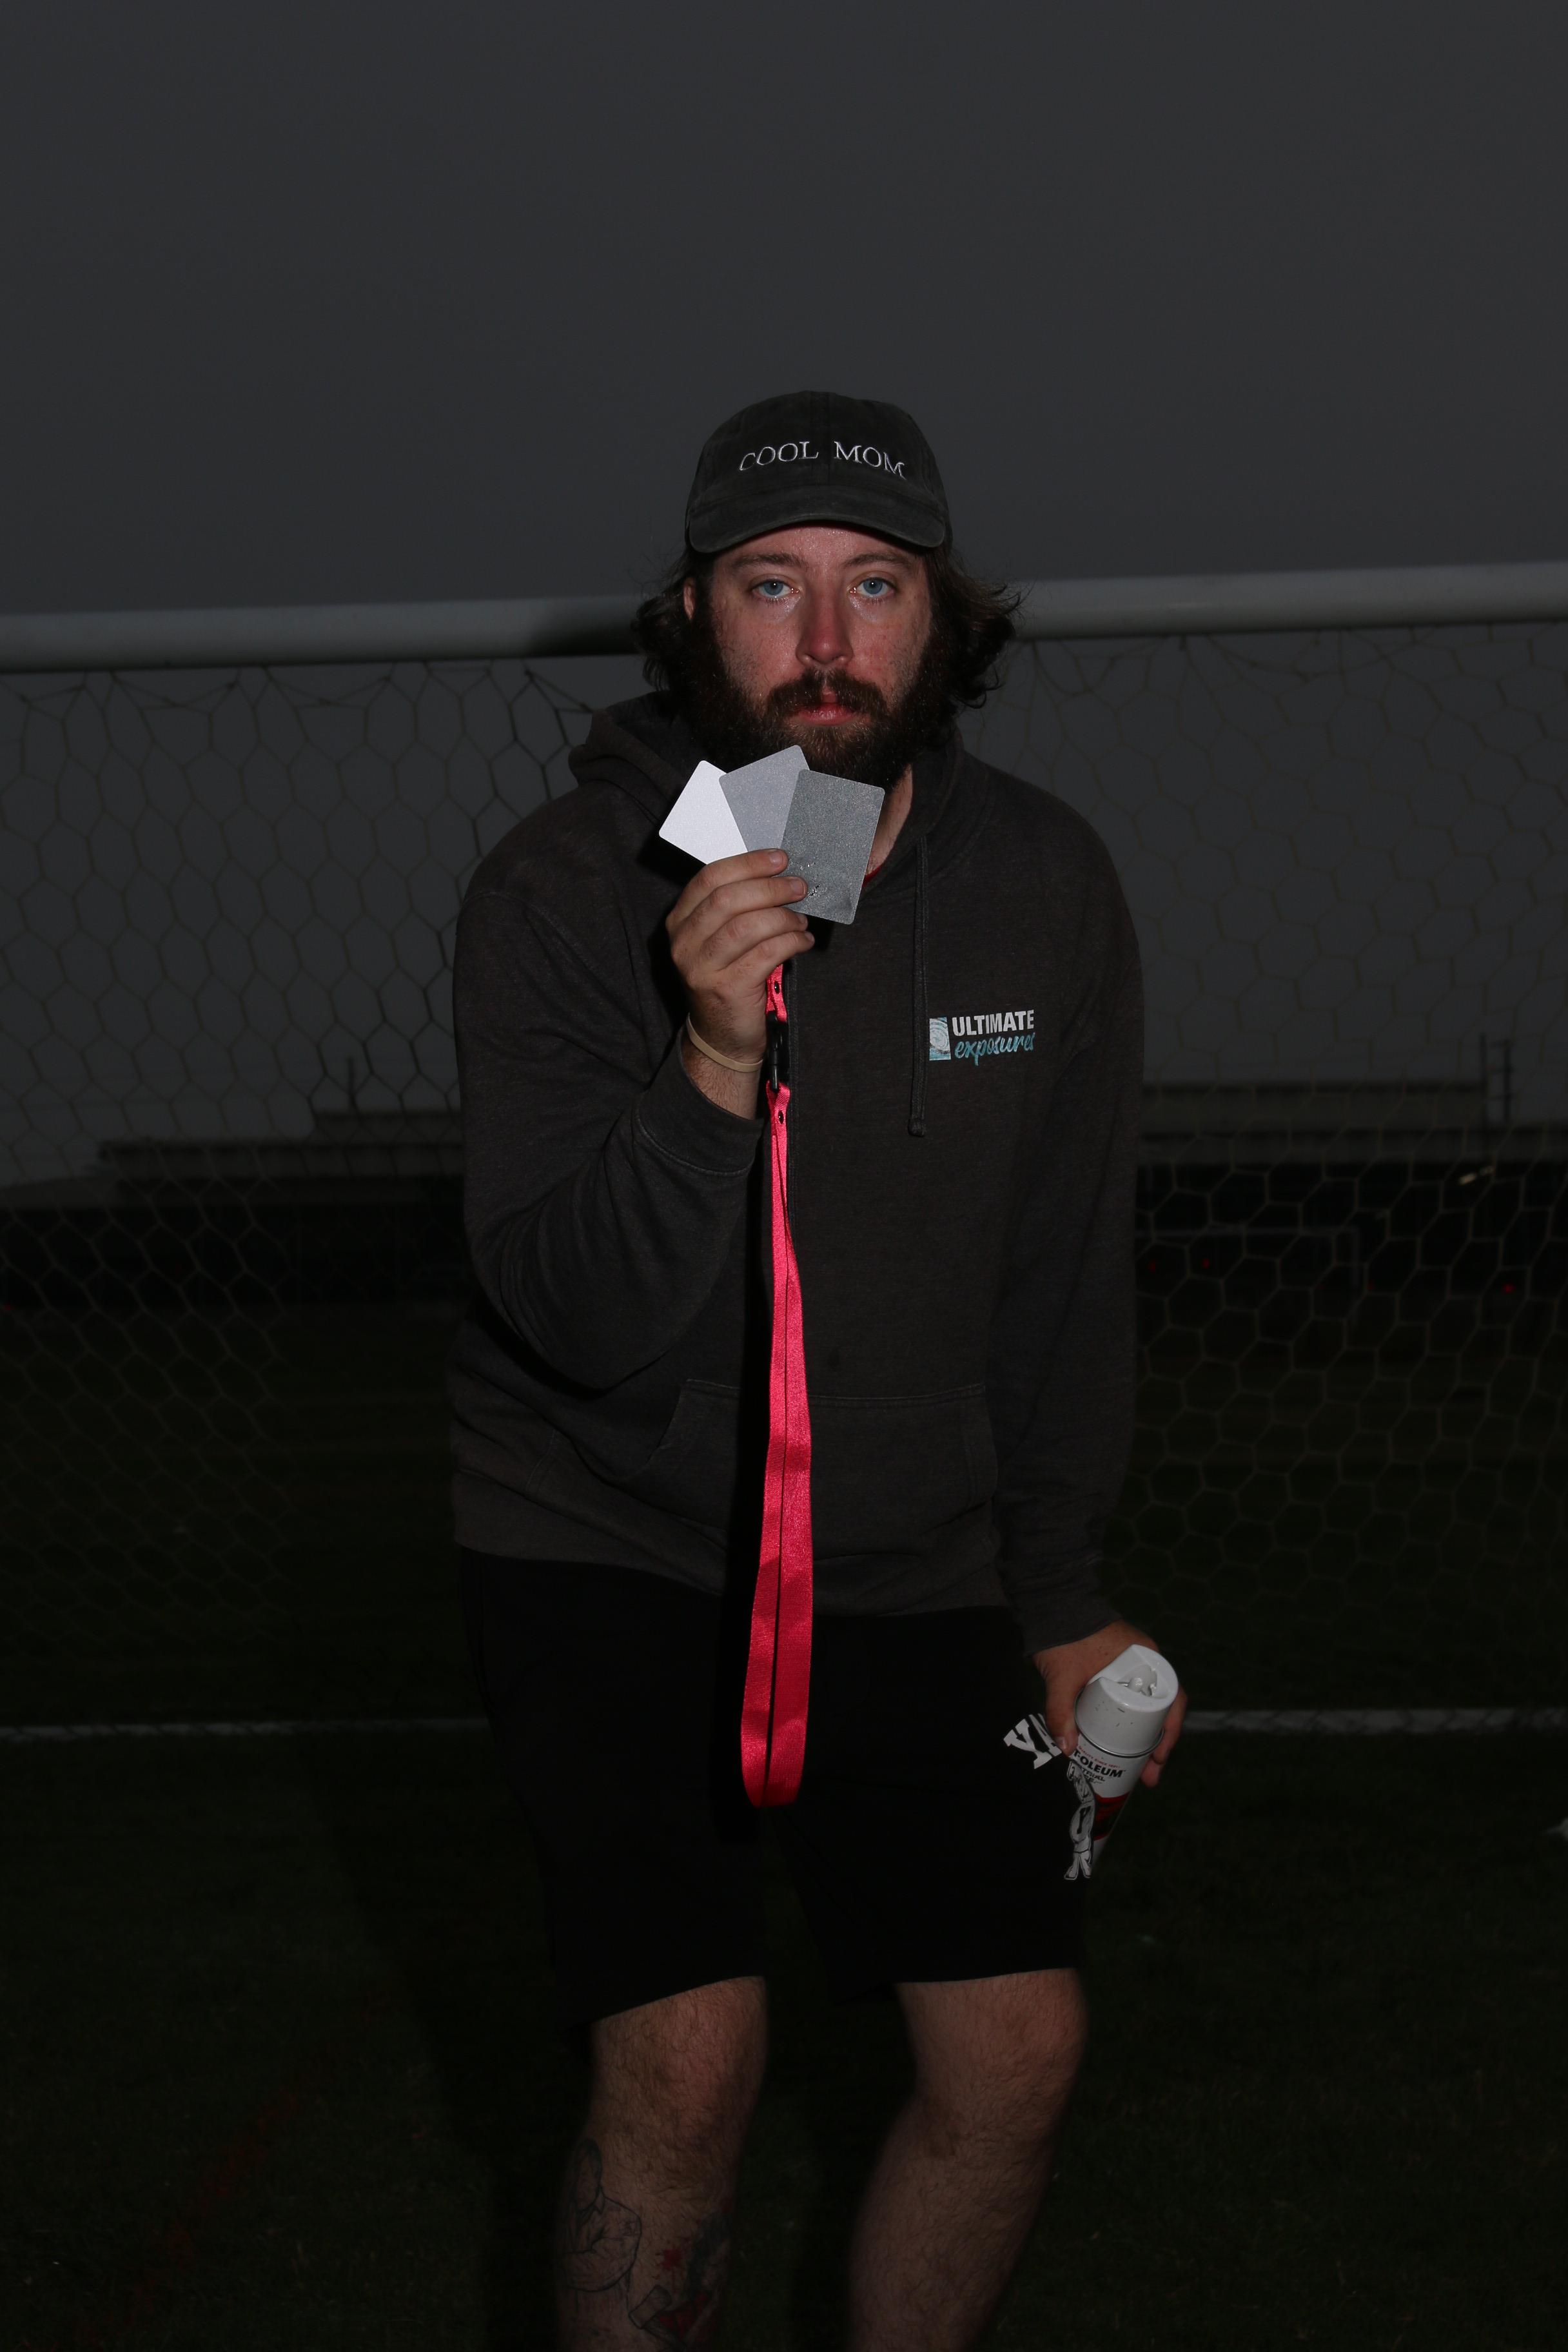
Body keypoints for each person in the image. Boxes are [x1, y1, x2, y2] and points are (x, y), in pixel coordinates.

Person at [449, 389, 1185, 2351]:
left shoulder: (1044, 883)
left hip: (910, 1548)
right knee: (687, 2064)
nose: (829, 638)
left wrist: (1063, 1597)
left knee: (1017, 2050)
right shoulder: (564, 888)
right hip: (617, 1537)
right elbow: (569, 1312)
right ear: (698, 613)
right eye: (774, 585)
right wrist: (709, 1052)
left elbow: (1062, 1277)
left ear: (947, 615)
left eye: (877, 584)